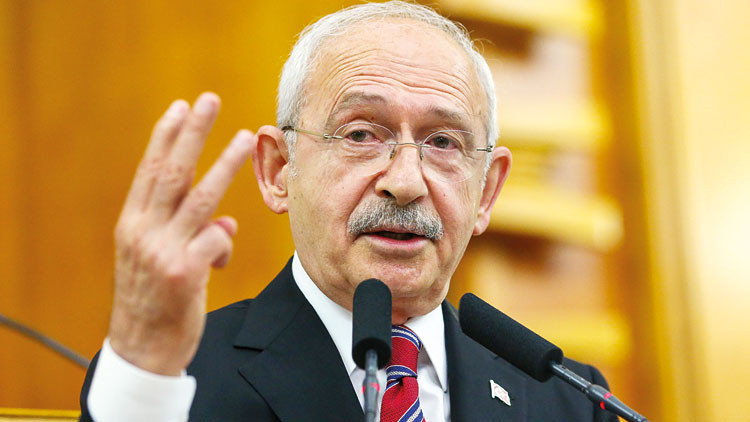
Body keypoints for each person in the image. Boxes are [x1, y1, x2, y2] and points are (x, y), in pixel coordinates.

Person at [78, 2, 617, 421]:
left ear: (487, 192)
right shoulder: (170, 379)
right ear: (278, 169)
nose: (405, 183)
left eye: (443, 142)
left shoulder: (568, 398)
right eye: (360, 134)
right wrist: (143, 372)